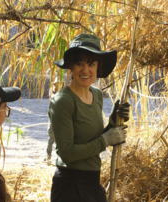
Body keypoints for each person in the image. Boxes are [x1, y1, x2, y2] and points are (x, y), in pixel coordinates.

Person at [49, 33, 130, 201]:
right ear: (71, 66)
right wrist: (107, 140)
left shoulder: (97, 95)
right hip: (70, 186)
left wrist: (114, 122)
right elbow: (68, 153)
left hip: (92, 182)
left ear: (98, 67)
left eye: (91, 64)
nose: (86, 70)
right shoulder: (63, 101)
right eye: (80, 63)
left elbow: (93, 139)